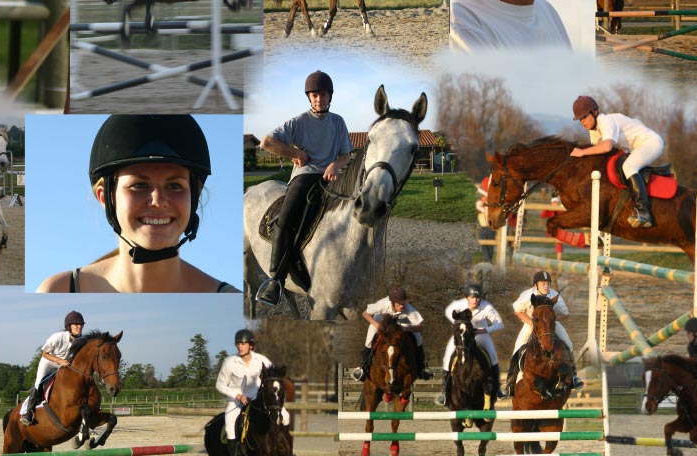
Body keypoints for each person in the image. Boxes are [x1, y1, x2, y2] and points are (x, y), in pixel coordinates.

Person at [38, 115, 238, 294]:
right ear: (104, 197)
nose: (158, 201)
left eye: (175, 186)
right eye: (139, 185)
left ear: (195, 196)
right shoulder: (58, 290)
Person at [254, 71, 353, 306]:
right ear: (309, 97)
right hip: (305, 176)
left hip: (330, 179)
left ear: (330, 96)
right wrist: (295, 153)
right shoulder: (298, 122)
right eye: (315, 95)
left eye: (323, 94)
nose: (319, 99)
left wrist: (335, 165)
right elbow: (267, 142)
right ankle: (275, 279)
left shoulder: (338, 121)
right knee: (286, 218)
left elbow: (346, 154)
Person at [570, 95, 664, 229]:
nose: (582, 122)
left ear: (594, 112)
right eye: (580, 119)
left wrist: (582, 152)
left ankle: (644, 213)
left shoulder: (606, 121)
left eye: (585, 116)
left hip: (651, 143)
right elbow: (597, 155)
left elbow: (606, 147)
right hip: (635, 148)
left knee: (628, 167)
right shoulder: (594, 131)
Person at [214, 328, 287, 456]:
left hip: (258, 400)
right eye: (238, 344)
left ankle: (286, 450)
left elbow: (274, 377)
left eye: (243, 343)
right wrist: (238, 395)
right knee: (230, 425)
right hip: (236, 401)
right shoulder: (229, 363)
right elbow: (220, 385)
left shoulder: (262, 361)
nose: (240, 346)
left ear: (251, 346)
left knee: (285, 416)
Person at [511, 271, 583, 389]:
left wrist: (550, 320)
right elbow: (517, 311)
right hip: (531, 323)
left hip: (550, 324)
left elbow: (565, 314)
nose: (546, 286)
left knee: (568, 344)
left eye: (548, 283)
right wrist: (532, 323)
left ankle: (573, 376)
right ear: (536, 285)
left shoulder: (554, 295)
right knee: (518, 346)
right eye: (543, 283)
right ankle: (511, 381)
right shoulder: (527, 295)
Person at [351, 286, 431, 382]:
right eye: (400, 304)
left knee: (418, 338)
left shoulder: (409, 309)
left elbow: (420, 327)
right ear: (392, 303)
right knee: (369, 339)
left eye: (404, 303)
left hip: (400, 322)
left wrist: (406, 328)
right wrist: (377, 325)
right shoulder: (383, 304)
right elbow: (365, 313)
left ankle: (421, 368)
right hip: (381, 321)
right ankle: (363, 368)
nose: (403, 306)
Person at [441, 283, 506, 403]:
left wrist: (485, 330)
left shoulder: (486, 307)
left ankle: (497, 390)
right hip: (463, 334)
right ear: (467, 298)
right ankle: (444, 391)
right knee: (448, 355)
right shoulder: (458, 304)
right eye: (472, 297)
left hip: (480, 334)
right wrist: (457, 323)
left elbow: (499, 324)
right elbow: (447, 311)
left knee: (492, 355)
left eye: (477, 297)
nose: (475, 300)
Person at [19, 311, 86, 426]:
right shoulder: (57, 337)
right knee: (38, 383)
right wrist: (59, 361)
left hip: (64, 364)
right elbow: (44, 353)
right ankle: (29, 412)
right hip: (48, 362)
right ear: (68, 327)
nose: (79, 327)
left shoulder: (81, 340)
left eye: (81, 324)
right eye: (76, 324)